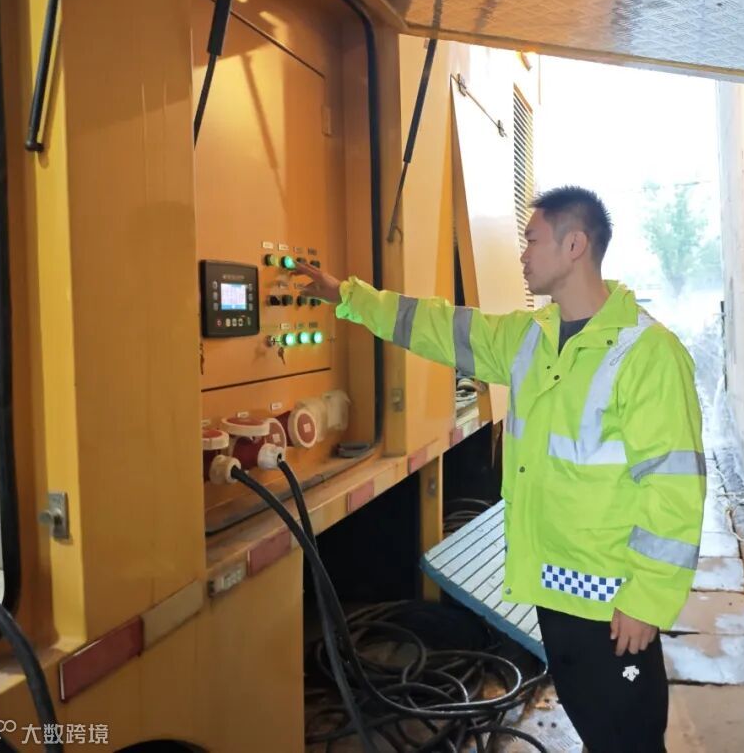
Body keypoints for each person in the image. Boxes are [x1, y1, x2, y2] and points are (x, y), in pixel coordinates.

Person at [293, 186, 706, 753]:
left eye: (532, 240)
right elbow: (438, 326)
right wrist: (348, 297)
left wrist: (647, 600)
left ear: (574, 245)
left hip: (614, 608)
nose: (523, 253)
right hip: (557, 596)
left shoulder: (647, 353)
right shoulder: (530, 338)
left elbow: (674, 487)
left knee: (629, 741)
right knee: (598, 731)